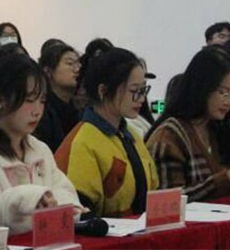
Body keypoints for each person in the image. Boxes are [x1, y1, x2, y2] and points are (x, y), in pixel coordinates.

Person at [0, 54, 81, 234]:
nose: (37, 111)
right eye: (29, 100)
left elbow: (66, 194)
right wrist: (21, 200)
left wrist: (57, 204)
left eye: (42, 101)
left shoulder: (39, 149)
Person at [55, 48, 159, 217]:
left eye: (143, 90)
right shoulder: (82, 142)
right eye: (134, 91)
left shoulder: (131, 135)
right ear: (103, 91)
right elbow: (80, 213)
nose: (141, 99)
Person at [146, 47, 230, 201]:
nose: (228, 102)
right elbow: (168, 201)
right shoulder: (169, 136)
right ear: (201, 87)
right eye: (222, 92)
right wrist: (225, 179)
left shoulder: (216, 128)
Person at [35, 44, 81, 152]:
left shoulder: (78, 110)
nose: (77, 69)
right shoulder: (42, 111)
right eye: (70, 63)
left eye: (78, 63)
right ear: (48, 71)